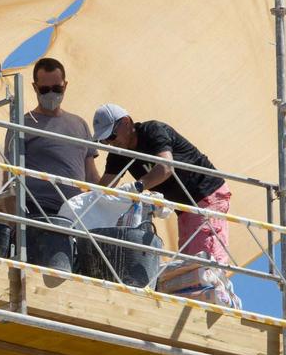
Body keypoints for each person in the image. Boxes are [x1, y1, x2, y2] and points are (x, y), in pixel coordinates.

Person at [90, 103, 241, 307]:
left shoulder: (152, 131)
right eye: (104, 140)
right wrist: (84, 196)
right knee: (189, 266)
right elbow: (104, 188)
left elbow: (166, 166)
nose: (109, 143)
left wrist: (137, 187)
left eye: (111, 136)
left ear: (126, 123)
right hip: (185, 208)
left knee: (204, 262)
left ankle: (218, 304)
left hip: (206, 197)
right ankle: (204, 304)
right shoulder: (119, 151)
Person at [17, 57, 101, 273]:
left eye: (56, 88)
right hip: (40, 213)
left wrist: (118, 198)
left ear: (65, 85)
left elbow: (92, 177)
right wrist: (15, 224)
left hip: (78, 214)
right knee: (53, 275)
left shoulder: (80, 124)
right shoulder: (23, 124)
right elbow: (9, 178)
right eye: (44, 90)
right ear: (34, 88)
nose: (51, 94)